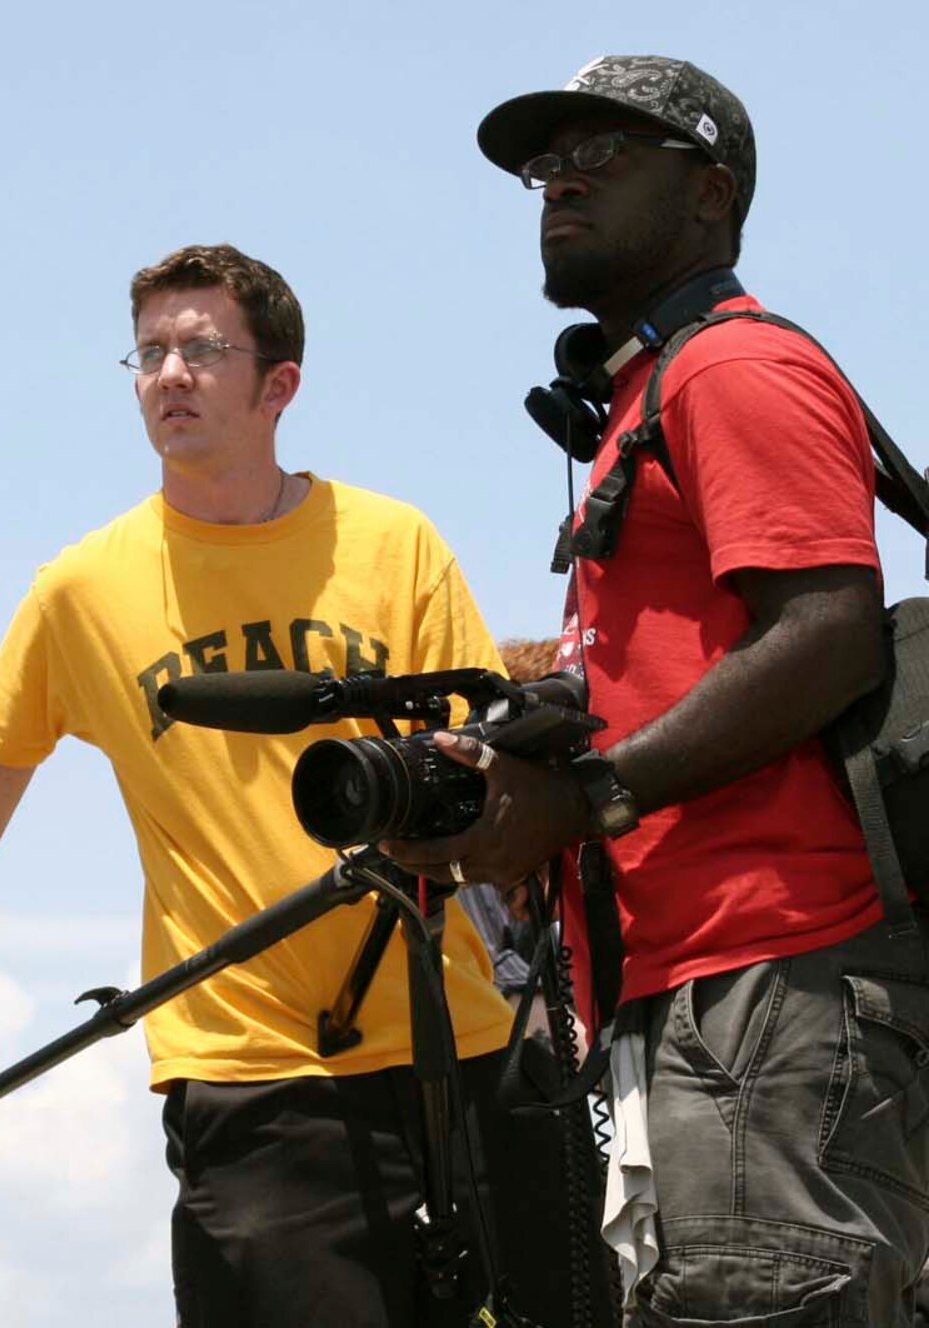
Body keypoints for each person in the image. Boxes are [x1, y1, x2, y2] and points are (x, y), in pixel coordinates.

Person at [0, 244, 532, 1326]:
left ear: (278, 384)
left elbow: (484, 778)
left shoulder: (394, 546)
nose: (168, 375)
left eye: (202, 349)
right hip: (248, 1076)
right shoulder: (80, 591)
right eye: (148, 351)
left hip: (460, 1045)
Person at [385, 55, 929, 1322]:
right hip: (702, 991)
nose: (557, 180)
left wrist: (585, 794)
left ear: (708, 194)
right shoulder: (642, 391)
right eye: (543, 164)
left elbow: (827, 632)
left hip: (770, 979)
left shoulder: (727, 368)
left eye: (606, 155)